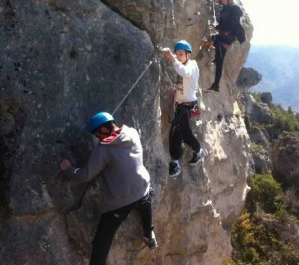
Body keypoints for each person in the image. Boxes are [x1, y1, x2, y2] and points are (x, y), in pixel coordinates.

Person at [59, 112, 157, 265]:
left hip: (121, 201)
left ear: (104, 130)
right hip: (143, 187)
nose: (98, 139)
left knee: (102, 241)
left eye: (98, 135)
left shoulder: (104, 149)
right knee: (145, 201)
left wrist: (69, 170)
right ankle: (149, 233)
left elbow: (85, 174)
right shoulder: (132, 132)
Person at [162, 40, 207, 178]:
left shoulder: (192, 66)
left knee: (175, 130)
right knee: (186, 134)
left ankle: (175, 162)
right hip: (181, 104)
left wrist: (172, 58)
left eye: (181, 54)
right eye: (177, 54)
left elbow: (185, 72)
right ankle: (199, 152)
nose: (179, 56)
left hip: (187, 105)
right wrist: (172, 57)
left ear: (188, 54)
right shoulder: (183, 62)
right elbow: (180, 64)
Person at [205, 0, 245, 93]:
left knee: (220, 62)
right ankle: (216, 58)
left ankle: (216, 86)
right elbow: (223, 23)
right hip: (224, 37)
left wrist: (229, 39)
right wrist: (216, 28)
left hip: (227, 39)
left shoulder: (235, 9)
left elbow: (233, 25)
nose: (221, 0)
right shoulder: (225, 8)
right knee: (218, 54)